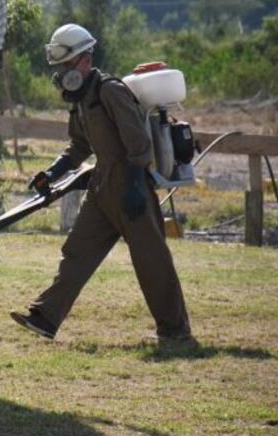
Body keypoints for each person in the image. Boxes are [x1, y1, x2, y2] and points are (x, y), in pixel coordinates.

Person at [10, 24, 193, 343]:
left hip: (129, 183)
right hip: (101, 186)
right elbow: (79, 146)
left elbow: (138, 144)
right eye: (60, 67)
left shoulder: (111, 90)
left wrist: (136, 186)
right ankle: (46, 317)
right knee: (77, 252)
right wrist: (52, 172)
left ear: (85, 59)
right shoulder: (80, 99)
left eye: (67, 65)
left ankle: (175, 331)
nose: (63, 73)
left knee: (151, 260)